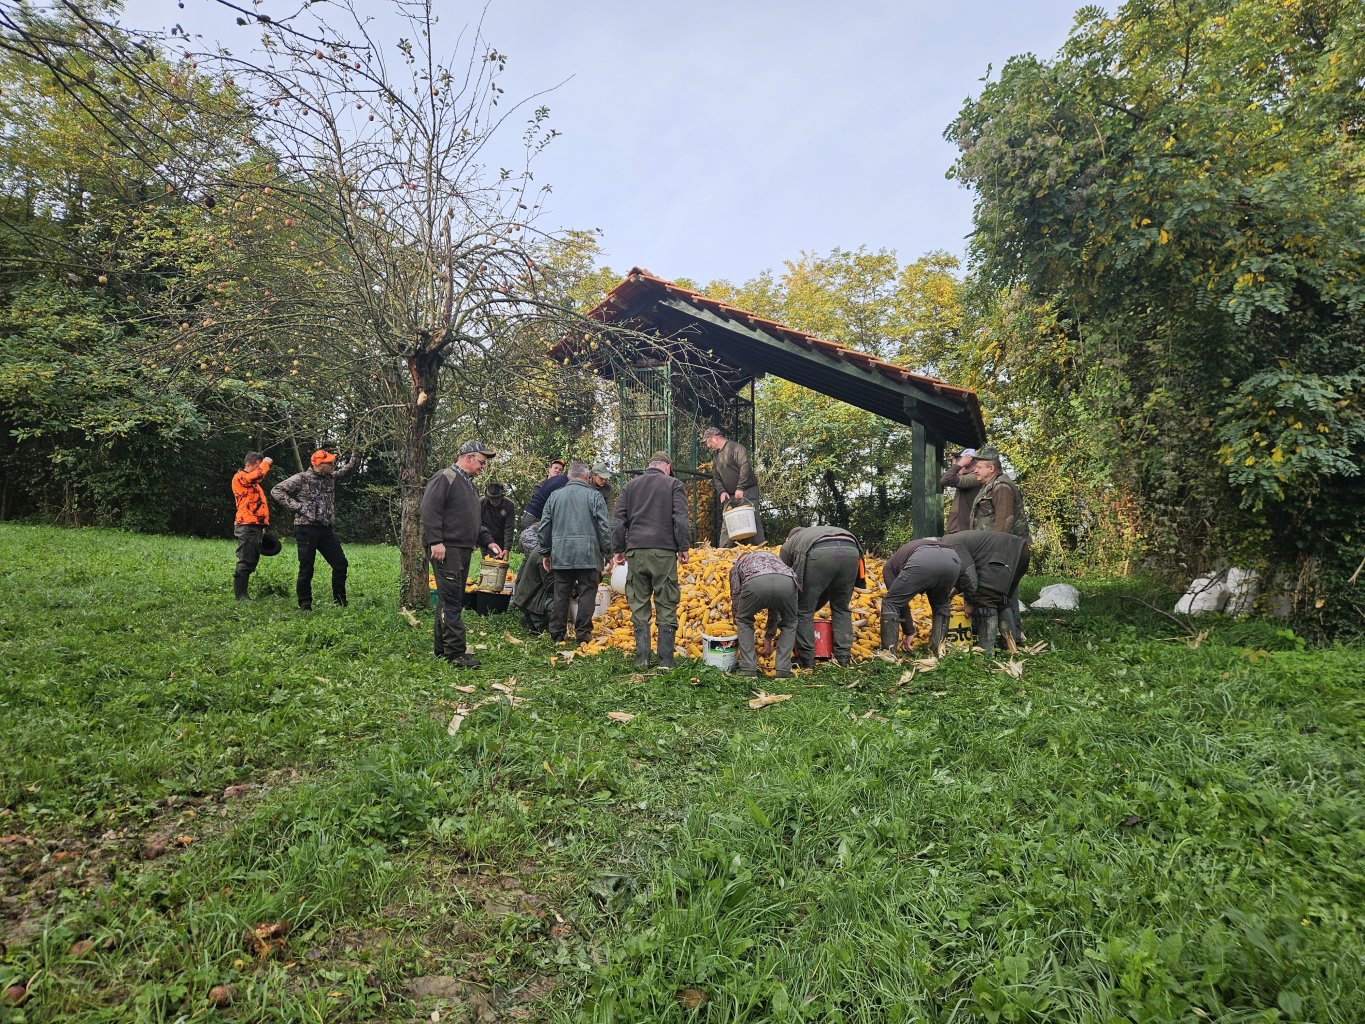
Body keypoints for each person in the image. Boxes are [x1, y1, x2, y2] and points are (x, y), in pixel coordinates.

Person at [421, 440, 504, 667]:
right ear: (468, 457)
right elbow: (429, 509)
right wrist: (436, 541)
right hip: (448, 549)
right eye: (481, 462)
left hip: (462, 549)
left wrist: (488, 542)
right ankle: (456, 653)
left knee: (449, 599)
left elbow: (473, 522)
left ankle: (442, 648)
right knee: (453, 601)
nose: (483, 466)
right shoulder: (445, 477)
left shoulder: (468, 484)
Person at [612, 450, 691, 668]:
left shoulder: (630, 486)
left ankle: (642, 658)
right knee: (666, 601)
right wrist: (683, 546)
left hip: (636, 552)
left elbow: (619, 522)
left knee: (638, 602)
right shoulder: (673, 484)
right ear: (666, 466)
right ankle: (665, 660)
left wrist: (618, 549)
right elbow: (681, 518)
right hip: (663, 552)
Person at [271, 448, 360, 610]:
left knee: (340, 564)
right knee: (307, 568)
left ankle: (340, 602)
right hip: (305, 529)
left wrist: (357, 450)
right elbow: (277, 490)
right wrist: (298, 507)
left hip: (325, 530)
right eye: (329, 462)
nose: (333, 464)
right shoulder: (302, 478)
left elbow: (350, 469)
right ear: (319, 465)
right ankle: (305, 605)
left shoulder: (331, 478)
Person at [538, 461, 612, 645]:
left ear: (569, 477)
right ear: (587, 477)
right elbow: (604, 527)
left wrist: (546, 552)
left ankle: (557, 634)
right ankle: (583, 635)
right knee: (587, 592)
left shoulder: (554, 496)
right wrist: (608, 553)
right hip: (588, 554)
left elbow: (544, 526)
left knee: (561, 592)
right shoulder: (595, 496)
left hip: (562, 554)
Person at [969, 447, 1032, 645]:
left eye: (979, 467)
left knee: (1007, 594)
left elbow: (1005, 522)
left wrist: (997, 557)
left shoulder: (1002, 487)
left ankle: (1012, 639)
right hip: (994, 550)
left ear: (991, 467)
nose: (975, 471)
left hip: (1005, 552)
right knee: (999, 593)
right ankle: (1005, 638)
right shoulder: (990, 485)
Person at [779, 525, 863, 668]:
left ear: (790, 537)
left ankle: (806, 659)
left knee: (804, 610)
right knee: (841, 608)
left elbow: (784, 578)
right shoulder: (813, 532)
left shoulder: (788, 545)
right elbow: (826, 587)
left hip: (819, 552)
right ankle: (843, 658)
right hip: (851, 549)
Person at [944, 529, 1029, 654]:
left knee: (985, 599)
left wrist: (970, 601)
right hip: (1021, 551)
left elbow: (969, 573)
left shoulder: (950, 545)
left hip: (1002, 555)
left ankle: (986, 649)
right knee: (1001, 600)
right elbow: (963, 571)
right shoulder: (952, 541)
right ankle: (1010, 644)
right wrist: (953, 591)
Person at [878, 537, 965, 657]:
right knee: (941, 605)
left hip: (923, 560)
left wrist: (909, 632)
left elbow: (898, 603)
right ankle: (938, 652)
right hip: (953, 559)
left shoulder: (888, 568)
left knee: (890, 602)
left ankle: (888, 655)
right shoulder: (913, 549)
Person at [728, 549, 798, 678]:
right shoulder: (773, 558)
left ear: (739, 560)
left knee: (744, 620)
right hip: (787, 582)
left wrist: (737, 619)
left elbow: (736, 596)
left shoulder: (737, 567)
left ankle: (748, 669)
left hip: (756, 582)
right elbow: (774, 609)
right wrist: (768, 638)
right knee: (790, 623)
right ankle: (783, 671)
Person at [701, 425, 765, 546]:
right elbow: (716, 477)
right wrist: (722, 491)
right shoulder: (716, 458)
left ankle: (761, 551)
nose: (708, 446)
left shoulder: (736, 448)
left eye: (708, 442)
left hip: (747, 492)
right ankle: (723, 552)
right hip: (729, 497)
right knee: (727, 525)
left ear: (715, 438)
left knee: (752, 519)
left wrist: (740, 487)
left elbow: (745, 466)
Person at [230, 450, 274, 600]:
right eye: (258, 465)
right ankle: (241, 596)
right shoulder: (240, 477)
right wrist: (266, 462)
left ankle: (244, 594)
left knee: (252, 559)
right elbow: (257, 475)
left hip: (255, 525)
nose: (260, 468)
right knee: (245, 558)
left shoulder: (254, 484)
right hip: (246, 524)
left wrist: (262, 526)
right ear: (250, 464)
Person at [939, 447, 981, 534]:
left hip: (964, 529)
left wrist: (960, 464)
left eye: (958, 461)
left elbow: (945, 480)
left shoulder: (974, 478)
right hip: (960, 528)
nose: (955, 464)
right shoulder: (968, 477)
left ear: (969, 462)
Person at [521, 457, 567, 529]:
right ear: (549, 469)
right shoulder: (540, 486)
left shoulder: (561, 487)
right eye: (555, 468)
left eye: (560, 470)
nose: (558, 470)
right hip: (534, 518)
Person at [480, 482, 517, 555]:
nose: (494, 502)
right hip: (486, 538)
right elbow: (476, 524)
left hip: (501, 539)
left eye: (496, 500)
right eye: (491, 500)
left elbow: (509, 527)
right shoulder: (481, 503)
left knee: (500, 561)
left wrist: (507, 548)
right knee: (488, 562)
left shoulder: (509, 505)